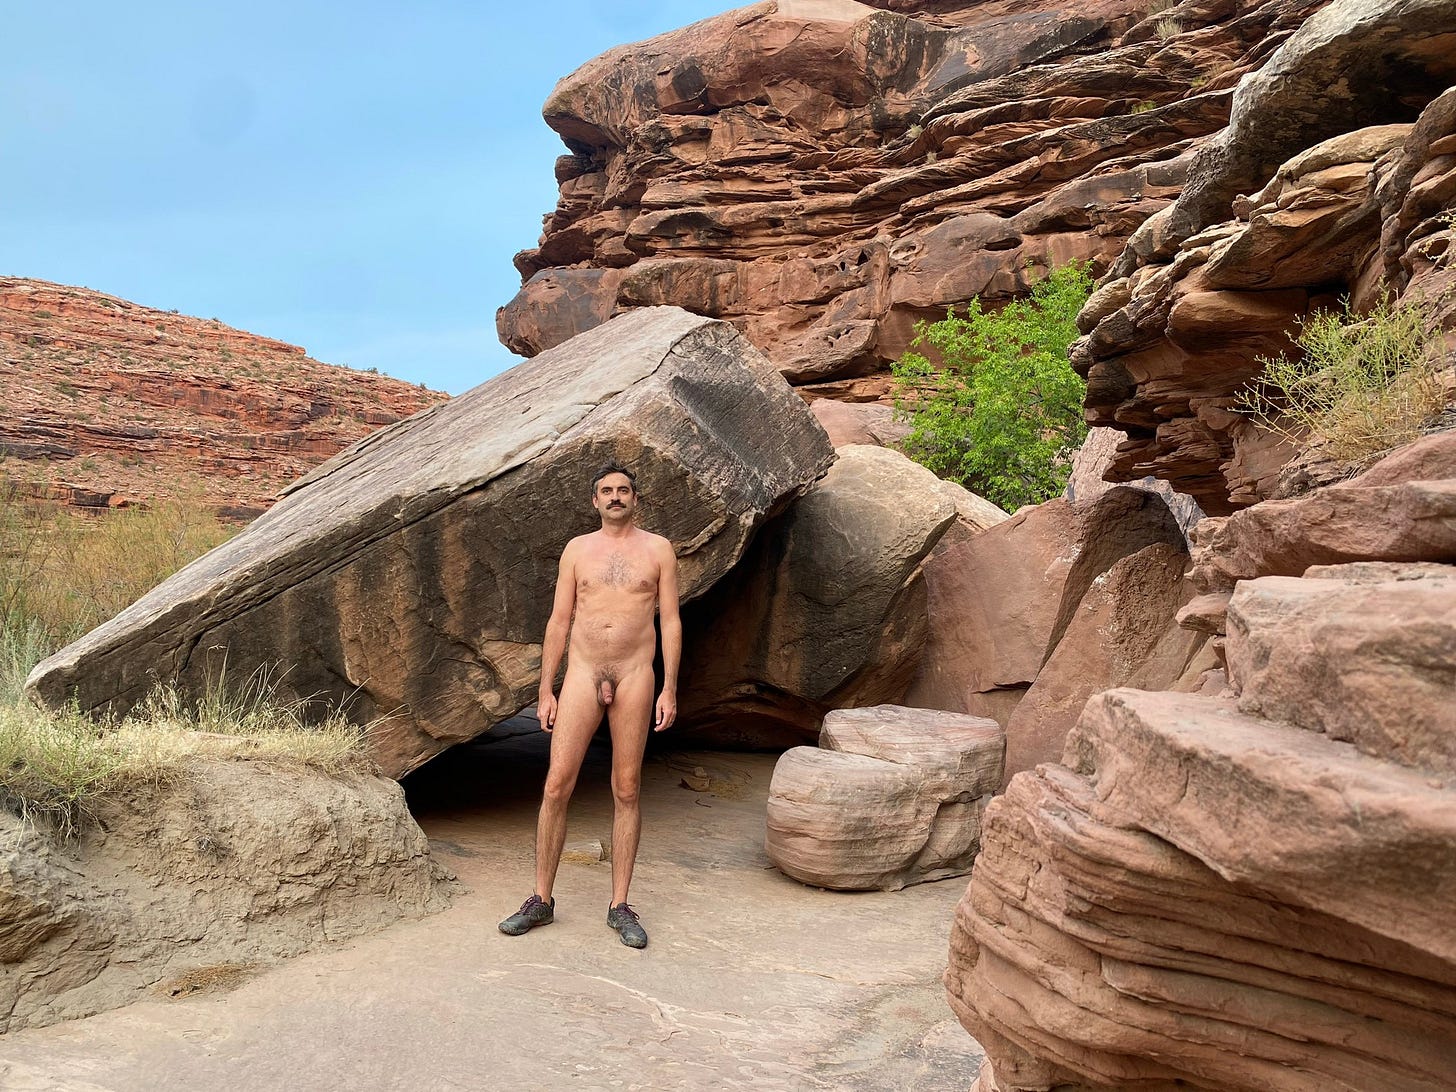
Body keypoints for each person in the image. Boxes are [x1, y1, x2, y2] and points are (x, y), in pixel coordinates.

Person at [498, 462, 680, 948]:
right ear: (594, 501)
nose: (615, 497)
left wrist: (670, 688)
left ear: (635, 499)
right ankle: (541, 900)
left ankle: (620, 906)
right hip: (581, 672)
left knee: (626, 788)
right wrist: (545, 689)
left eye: (623, 490)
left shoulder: (658, 549)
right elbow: (559, 621)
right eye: (607, 491)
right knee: (557, 785)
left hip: (635, 674)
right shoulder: (577, 550)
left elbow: (671, 622)